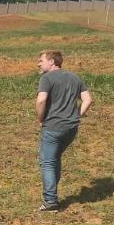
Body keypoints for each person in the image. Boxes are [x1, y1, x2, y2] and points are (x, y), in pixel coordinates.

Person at [35, 50, 93, 211]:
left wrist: (40, 119)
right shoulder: (74, 77)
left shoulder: (46, 78)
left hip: (53, 127)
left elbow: (41, 100)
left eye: (41, 61)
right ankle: (52, 193)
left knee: (47, 162)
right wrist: (76, 115)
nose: (39, 64)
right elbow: (88, 100)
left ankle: (50, 201)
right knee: (55, 158)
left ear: (52, 62)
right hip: (71, 128)